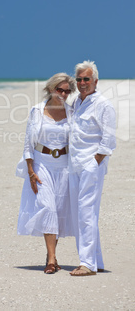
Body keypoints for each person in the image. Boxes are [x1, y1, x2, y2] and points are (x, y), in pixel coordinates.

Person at [16, 73, 76, 274]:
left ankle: (52, 256)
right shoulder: (37, 110)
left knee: (57, 211)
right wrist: (31, 171)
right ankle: (51, 260)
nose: (64, 94)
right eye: (60, 90)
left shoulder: (72, 111)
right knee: (48, 207)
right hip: (42, 164)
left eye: (67, 91)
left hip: (65, 167)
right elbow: (28, 144)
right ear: (51, 89)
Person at [68, 60, 116, 276]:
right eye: (79, 79)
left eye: (86, 79)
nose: (82, 82)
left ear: (95, 81)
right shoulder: (76, 102)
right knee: (80, 213)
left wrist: (94, 162)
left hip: (90, 165)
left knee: (86, 212)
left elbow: (109, 140)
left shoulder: (104, 105)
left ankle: (86, 264)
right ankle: (96, 260)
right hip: (74, 165)